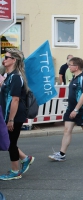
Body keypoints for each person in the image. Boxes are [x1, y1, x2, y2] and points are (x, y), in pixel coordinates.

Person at [48, 57, 83, 161]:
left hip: (81, 110)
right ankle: (61, 154)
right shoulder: (74, 77)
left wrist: (76, 110)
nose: (68, 66)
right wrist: (71, 108)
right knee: (67, 130)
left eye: (70, 65)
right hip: (71, 109)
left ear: (76, 67)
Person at [0, 48, 35, 180]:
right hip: (8, 114)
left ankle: (15, 171)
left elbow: (15, 99)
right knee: (10, 141)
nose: (4, 59)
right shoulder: (9, 76)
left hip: (14, 115)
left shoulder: (15, 77)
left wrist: (11, 120)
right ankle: (25, 158)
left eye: (6, 57)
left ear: (14, 60)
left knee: (11, 143)